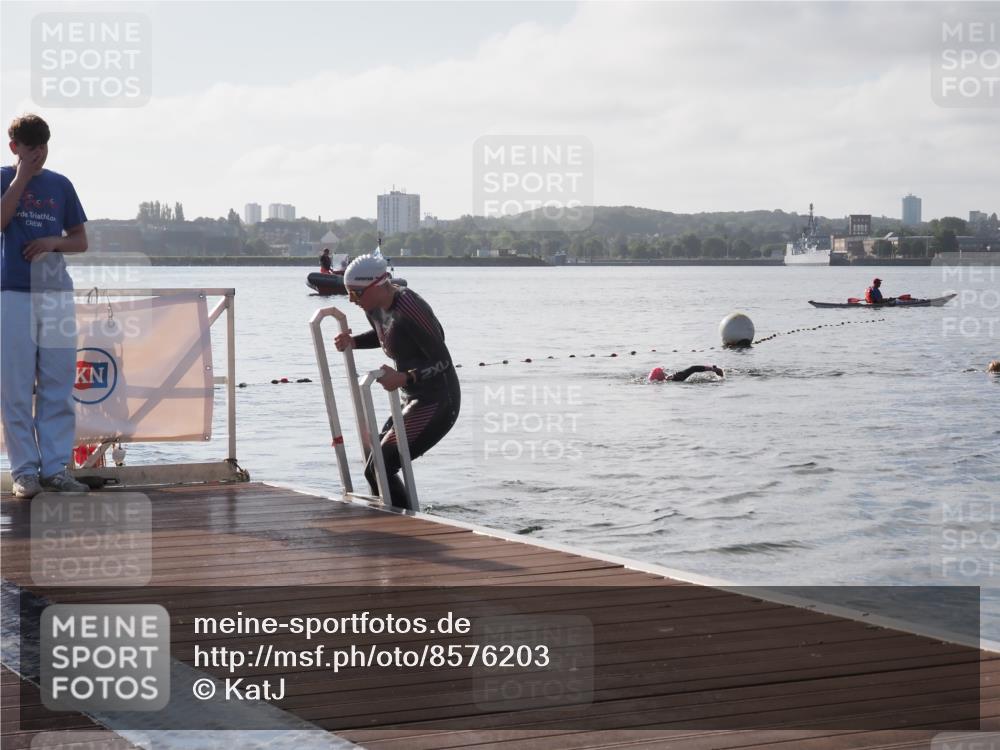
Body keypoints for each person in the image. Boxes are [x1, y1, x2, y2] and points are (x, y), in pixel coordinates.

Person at [2, 114, 89, 498]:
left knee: (58, 383)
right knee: (16, 388)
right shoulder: (3, 178)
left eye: (43, 146)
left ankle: (56, 469)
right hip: (13, 293)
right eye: (30, 147)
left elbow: (80, 240)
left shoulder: (61, 184)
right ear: (15, 147)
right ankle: (25, 473)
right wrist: (20, 178)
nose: (38, 154)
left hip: (56, 294)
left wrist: (53, 242)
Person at [333, 253, 460, 509]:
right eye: (348, 293)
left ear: (378, 285)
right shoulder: (372, 306)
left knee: (380, 467)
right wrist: (354, 341)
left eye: (356, 293)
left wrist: (405, 376)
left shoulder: (410, 308)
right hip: (411, 396)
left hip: (438, 400)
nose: (351, 300)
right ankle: (391, 517)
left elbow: (443, 361)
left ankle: (406, 524)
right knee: (374, 464)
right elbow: (387, 335)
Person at [648, 365, 724, 382]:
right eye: (662, 373)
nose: (664, 372)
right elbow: (693, 368)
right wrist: (713, 369)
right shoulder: (677, 377)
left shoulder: (665, 379)